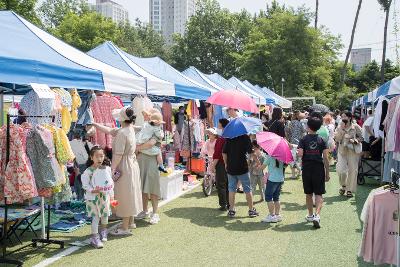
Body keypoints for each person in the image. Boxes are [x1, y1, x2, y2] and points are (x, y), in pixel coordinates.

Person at [93, 107, 143, 235]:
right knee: (131, 192)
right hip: (132, 163)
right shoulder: (130, 129)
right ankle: (131, 222)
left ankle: (125, 228)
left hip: (124, 165)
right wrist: (94, 123)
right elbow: (109, 130)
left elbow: (118, 154)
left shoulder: (122, 133)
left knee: (124, 195)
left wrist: (112, 168)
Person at [298, 116, 330, 229]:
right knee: (319, 193)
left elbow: (300, 154)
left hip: (307, 168)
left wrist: (297, 151)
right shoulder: (322, 140)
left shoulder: (303, 139)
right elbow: (326, 158)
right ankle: (317, 215)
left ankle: (311, 215)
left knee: (308, 193)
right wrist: (328, 172)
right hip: (318, 168)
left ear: (308, 127)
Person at [81, 146, 114, 248]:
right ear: (91, 157)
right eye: (97, 156)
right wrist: (92, 190)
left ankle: (103, 231)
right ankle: (95, 238)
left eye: (101, 156)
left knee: (105, 216)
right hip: (93, 198)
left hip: (104, 198)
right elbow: (85, 185)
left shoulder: (107, 169)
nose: (100, 159)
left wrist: (112, 196)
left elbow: (110, 183)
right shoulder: (88, 172)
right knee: (96, 218)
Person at [222, 134, 259, 218]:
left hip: (231, 168)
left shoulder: (229, 137)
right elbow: (251, 152)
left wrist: (226, 163)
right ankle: (251, 210)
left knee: (231, 189)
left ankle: (231, 210)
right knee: (247, 189)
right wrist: (258, 161)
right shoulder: (245, 137)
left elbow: (224, 153)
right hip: (243, 168)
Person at [334, 111, 363, 198]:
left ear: (349, 117)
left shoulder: (356, 126)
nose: (343, 118)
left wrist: (354, 140)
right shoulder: (339, 127)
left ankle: (349, 190)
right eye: (342, 117)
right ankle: (343, 185)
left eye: (345, 116)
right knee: (340, 169)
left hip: (352, 151)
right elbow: (336, 139)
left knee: (352, 170)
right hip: (342, 150)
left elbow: (361, 137)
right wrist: (341, 130)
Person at [259, 153, 285, 223]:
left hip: (272, 180)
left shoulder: (269, 157)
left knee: (268, 197)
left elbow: (262, 167)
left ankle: (272, 216)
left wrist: (258, 165)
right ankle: (277, 215)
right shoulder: (282, 156)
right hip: (280, 179)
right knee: (276, 198)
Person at [212, 119, 230, 211]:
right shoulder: (230, 137)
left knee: (221, 184)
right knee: (228, 184)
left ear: (222, 125)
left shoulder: (221, 139)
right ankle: (229, 203)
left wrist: (213, 165)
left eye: (218, 124)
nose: (217, 125)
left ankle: (223, 204)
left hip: (221, 164)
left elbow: (217, 154)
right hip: (230, 164)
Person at [286, 111, 306, 179]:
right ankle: (299, 170)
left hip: (292, 142)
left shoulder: (291, 123)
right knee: (298, 158)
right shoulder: (301, 123)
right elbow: (304, 131)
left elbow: (287, 131)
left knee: (292, 159)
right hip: (299, 143)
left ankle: (294, 174)